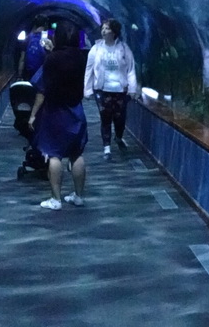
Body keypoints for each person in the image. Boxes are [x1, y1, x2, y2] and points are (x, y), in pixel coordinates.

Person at [28, 19, 87, 210]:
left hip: (55, 112)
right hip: (76, 110)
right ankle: (78, 196)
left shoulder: (51, 59)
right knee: (76, 154)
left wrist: (33, 115)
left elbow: (42, 89)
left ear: (57, 36)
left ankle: (56, 199)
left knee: (54, 155)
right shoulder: (81, 57)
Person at [84, 18, 139, 160]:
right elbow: (89, 70)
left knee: (120, 118)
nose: (104, 31)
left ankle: (118, 137)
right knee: (105, 117)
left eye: (107, 28)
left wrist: (132, 88)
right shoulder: (96, 49)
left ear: (114, 32)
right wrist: (88, 89)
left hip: (120, 90)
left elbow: (131, 69)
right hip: (102, 89)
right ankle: (106, 148)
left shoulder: (124, 49)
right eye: (103, 28)